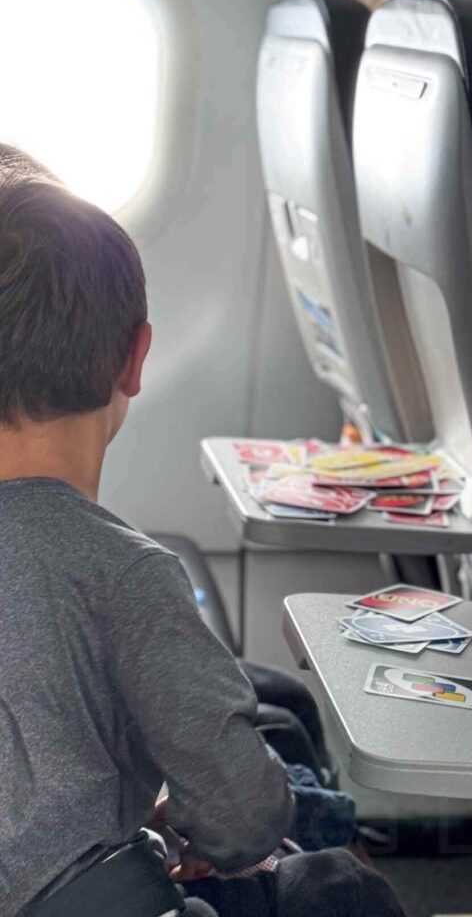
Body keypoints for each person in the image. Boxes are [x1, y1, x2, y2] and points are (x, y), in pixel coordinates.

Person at [0, 152, 404, 917]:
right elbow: (241, 819)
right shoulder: (123, 571)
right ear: (135, 357)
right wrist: (196, 828)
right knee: (340, 892)